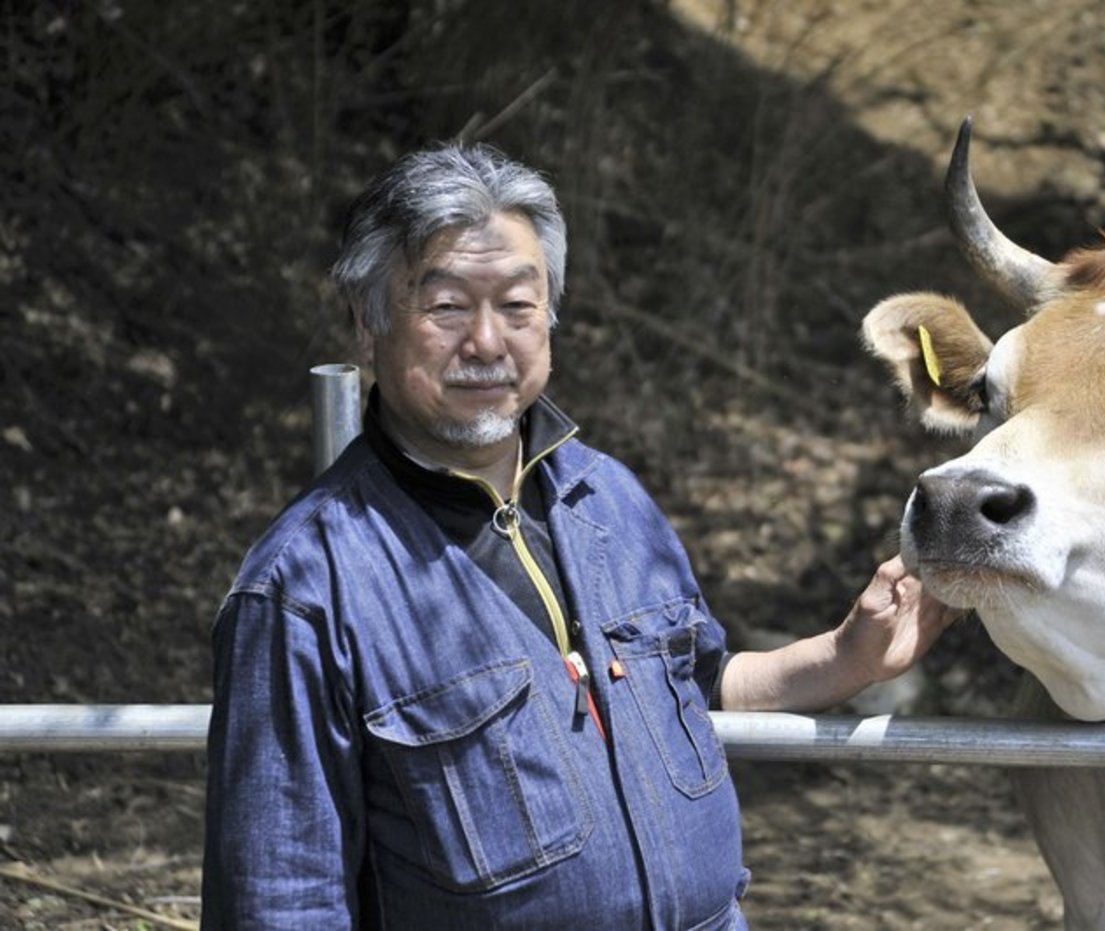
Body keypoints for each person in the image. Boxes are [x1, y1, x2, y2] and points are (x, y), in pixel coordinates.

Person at [201, 141, 958, 930]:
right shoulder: (307, 587)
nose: (489, 342)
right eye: (448, 306)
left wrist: (848, 656)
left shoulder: (608, 498)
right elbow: (279, 899)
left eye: (519, 305)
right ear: (368, 325)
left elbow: (697, 690)